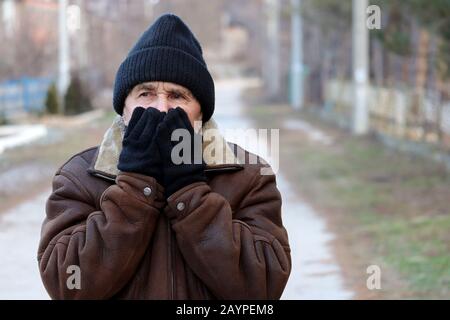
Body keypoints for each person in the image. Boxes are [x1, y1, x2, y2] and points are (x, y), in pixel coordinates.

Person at [38, 13, 291, 299]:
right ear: (124, 108)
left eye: (177, 95)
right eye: (145, 94)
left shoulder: (249, 176)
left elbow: (263, 289)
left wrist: (190, 193)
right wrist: (135, 188)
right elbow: (69, 285)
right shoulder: (81, 177)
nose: (161, 108)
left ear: (201, 113)